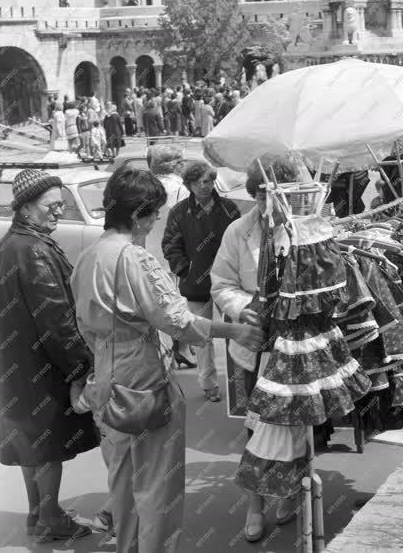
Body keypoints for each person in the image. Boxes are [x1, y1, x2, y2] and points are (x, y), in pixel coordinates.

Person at [70, 167, 263, 553]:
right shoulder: (134, 259)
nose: (158, 219)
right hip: (144, 380)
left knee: (123, 482)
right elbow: (178, 321)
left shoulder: (87, 256)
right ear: (140, 214)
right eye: (155, 212)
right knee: (158, 486)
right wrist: (235, 330)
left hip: (106, 378)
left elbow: (81, 325)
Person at [0, 170, 99, 543]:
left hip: (16, 363)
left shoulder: (12, 244)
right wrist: (80, 365)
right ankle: (51, 517)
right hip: (42, 364)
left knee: (30, 442)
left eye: (61, 204)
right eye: (51, 206)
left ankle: (37, 512)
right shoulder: (34, 250)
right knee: (48, 444)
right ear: (25, 209)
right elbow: (56, 317)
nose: (58, 211)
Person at [211, 154, 302, 542]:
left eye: (278, 194)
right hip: (252, 344)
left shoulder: (306, 230)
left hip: (295, 347)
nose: (270, 203)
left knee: (295, 423)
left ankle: (290, 492)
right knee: (254, 431)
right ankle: (254, 505)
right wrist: (244, 309)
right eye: (263, 195)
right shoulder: (238, 231)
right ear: (254, 194)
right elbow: (220, 284)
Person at [163, 162, 241, 401]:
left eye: (208, 181)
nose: (204, 186)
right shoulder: (178, 212)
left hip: (229, 284)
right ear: (188, 185)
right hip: (196, 287)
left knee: (236, 333)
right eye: (197, 182)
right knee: (202, 337)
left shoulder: (229, 209)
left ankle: (241, 388)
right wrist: (186, 270)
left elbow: (241, 244)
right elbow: (170, 246)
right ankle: (208, 384)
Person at [144, 146, 194, 368]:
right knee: (175, 306)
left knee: (159, 307)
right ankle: (179, 350)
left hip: (148, 256)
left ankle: (172, 351)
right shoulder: (180, 190)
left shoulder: (146, 188)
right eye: (182, 162)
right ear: (175, 165)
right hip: (173, 260)